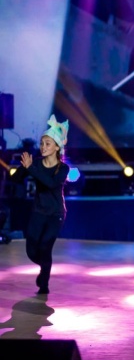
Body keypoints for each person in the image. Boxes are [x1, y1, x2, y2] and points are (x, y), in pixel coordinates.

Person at [9, 115, 70, 294]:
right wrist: (24, 168)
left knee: (45, 246)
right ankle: (45, 267)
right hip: (38, 211)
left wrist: (31, 168)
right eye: (42, 143)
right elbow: (15, 179)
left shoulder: (63, 168)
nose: (43, 147)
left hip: (56, 214)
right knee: (31, 250)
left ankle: (44, 283)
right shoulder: (35, 163)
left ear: (57, 147)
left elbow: (50, 183)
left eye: (47, 143)